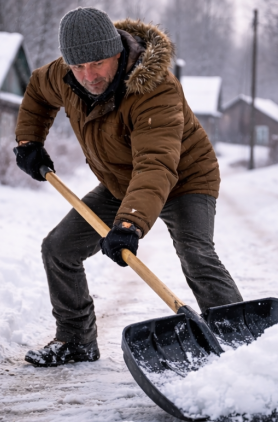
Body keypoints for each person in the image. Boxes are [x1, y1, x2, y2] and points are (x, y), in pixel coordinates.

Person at [14, 7, 243, 367]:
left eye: (97, 64)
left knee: (196, 253)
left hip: (185, 179)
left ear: (117, 52)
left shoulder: (154, 89)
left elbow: (156, 164)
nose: (88, 75)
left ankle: (242, 341)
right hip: (122, 181)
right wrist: (29, 142)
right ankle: (76, 341)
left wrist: (128, 224)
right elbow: (38, 94)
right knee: (59, 249)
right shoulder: (65, 75)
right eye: (78, 67)